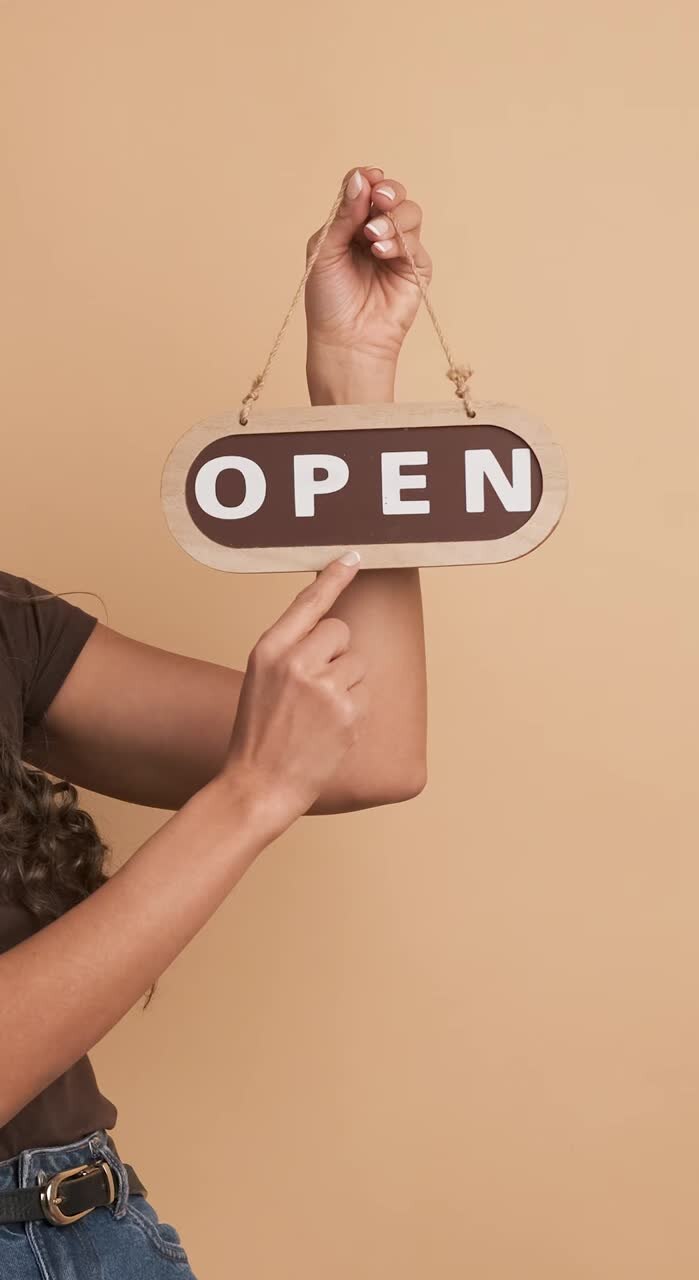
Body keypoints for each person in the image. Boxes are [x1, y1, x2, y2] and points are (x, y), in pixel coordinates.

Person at [0, 166, 431, 1277]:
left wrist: (354, 394)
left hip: (92, 1227)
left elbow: (370, 749)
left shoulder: (3, 623)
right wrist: (246, 797)